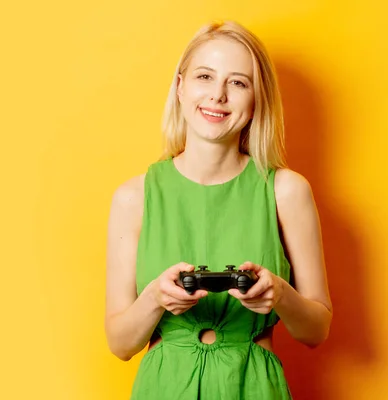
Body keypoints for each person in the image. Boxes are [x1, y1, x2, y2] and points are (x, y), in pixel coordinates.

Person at [105, 20, 332, 399]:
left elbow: (316, 331)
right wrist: (156, 298)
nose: (218, 96)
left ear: (257, 98)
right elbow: (120, 344)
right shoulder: (133, 197)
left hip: (253, 387)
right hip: (163, 389)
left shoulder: (287, 191)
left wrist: (280, 294)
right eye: (205, 76)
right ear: (180, 86)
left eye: (238, 82)